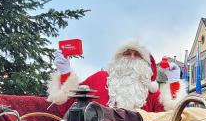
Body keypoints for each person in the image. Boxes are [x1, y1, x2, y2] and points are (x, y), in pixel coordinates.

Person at [46, 40, 183, 116]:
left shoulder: (150, 91)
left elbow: (171, 117)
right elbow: (67, 104)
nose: (132, 57)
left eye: (137, 54)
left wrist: (174, 83)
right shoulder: (99, 79)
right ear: (118, 59)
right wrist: (65, 71)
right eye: (127, 53)